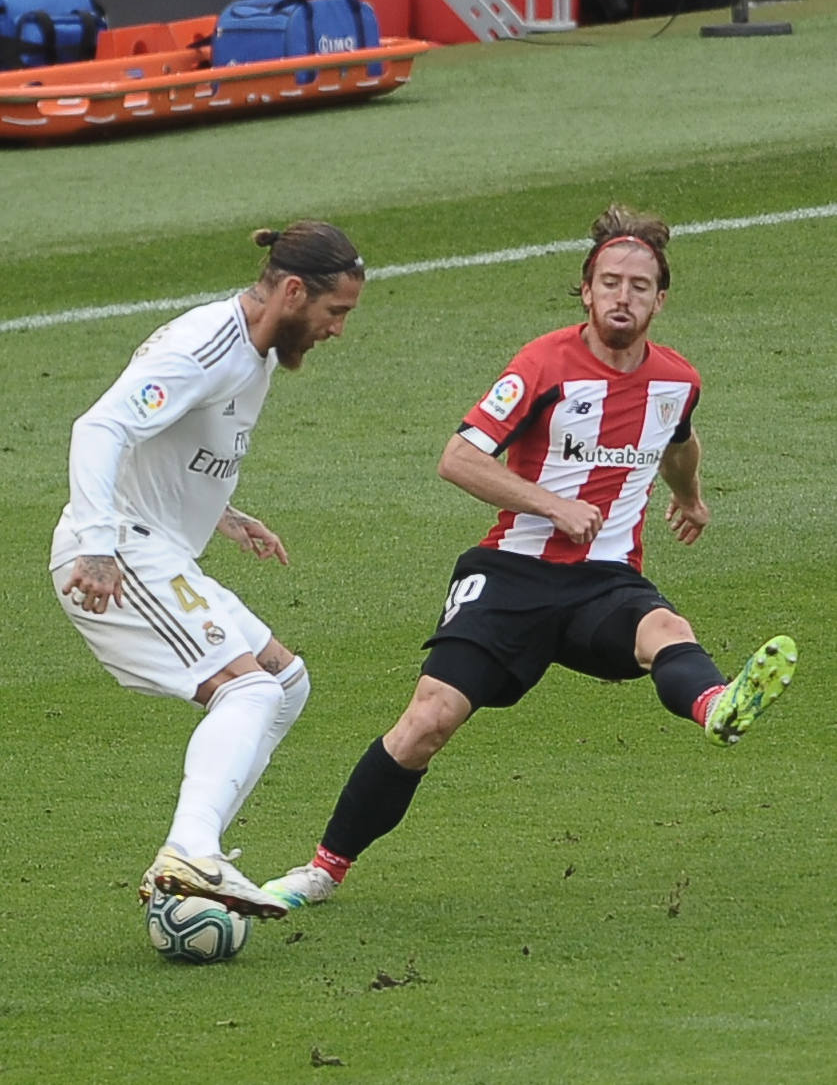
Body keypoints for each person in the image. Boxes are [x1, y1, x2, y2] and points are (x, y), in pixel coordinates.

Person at [261, 203, 798, 911]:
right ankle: (323, 869)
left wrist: (690, 497)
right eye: (609, 282)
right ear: (585, 290)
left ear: (659, 299)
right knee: (427, 721)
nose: (622, 296)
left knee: (668, 631)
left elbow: (678, 440)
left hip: (605, 581)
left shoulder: (676, 381)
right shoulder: (543, 363)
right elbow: (456, 458)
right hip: (510, 574)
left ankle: (717, 705)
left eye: (638, 286)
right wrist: (552, 504)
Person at [49, 220, 365, 919]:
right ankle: (190, 852)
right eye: (334, 312)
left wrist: (221, 511)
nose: (337, 330)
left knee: (284, 682)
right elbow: (100, 428)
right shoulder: (207, 347)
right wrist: (99, 544)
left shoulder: (254, 352)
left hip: (151, 541)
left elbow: (176, 443)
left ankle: (199, 859)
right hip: (118, 553)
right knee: (248, 691)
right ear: (290, 290)